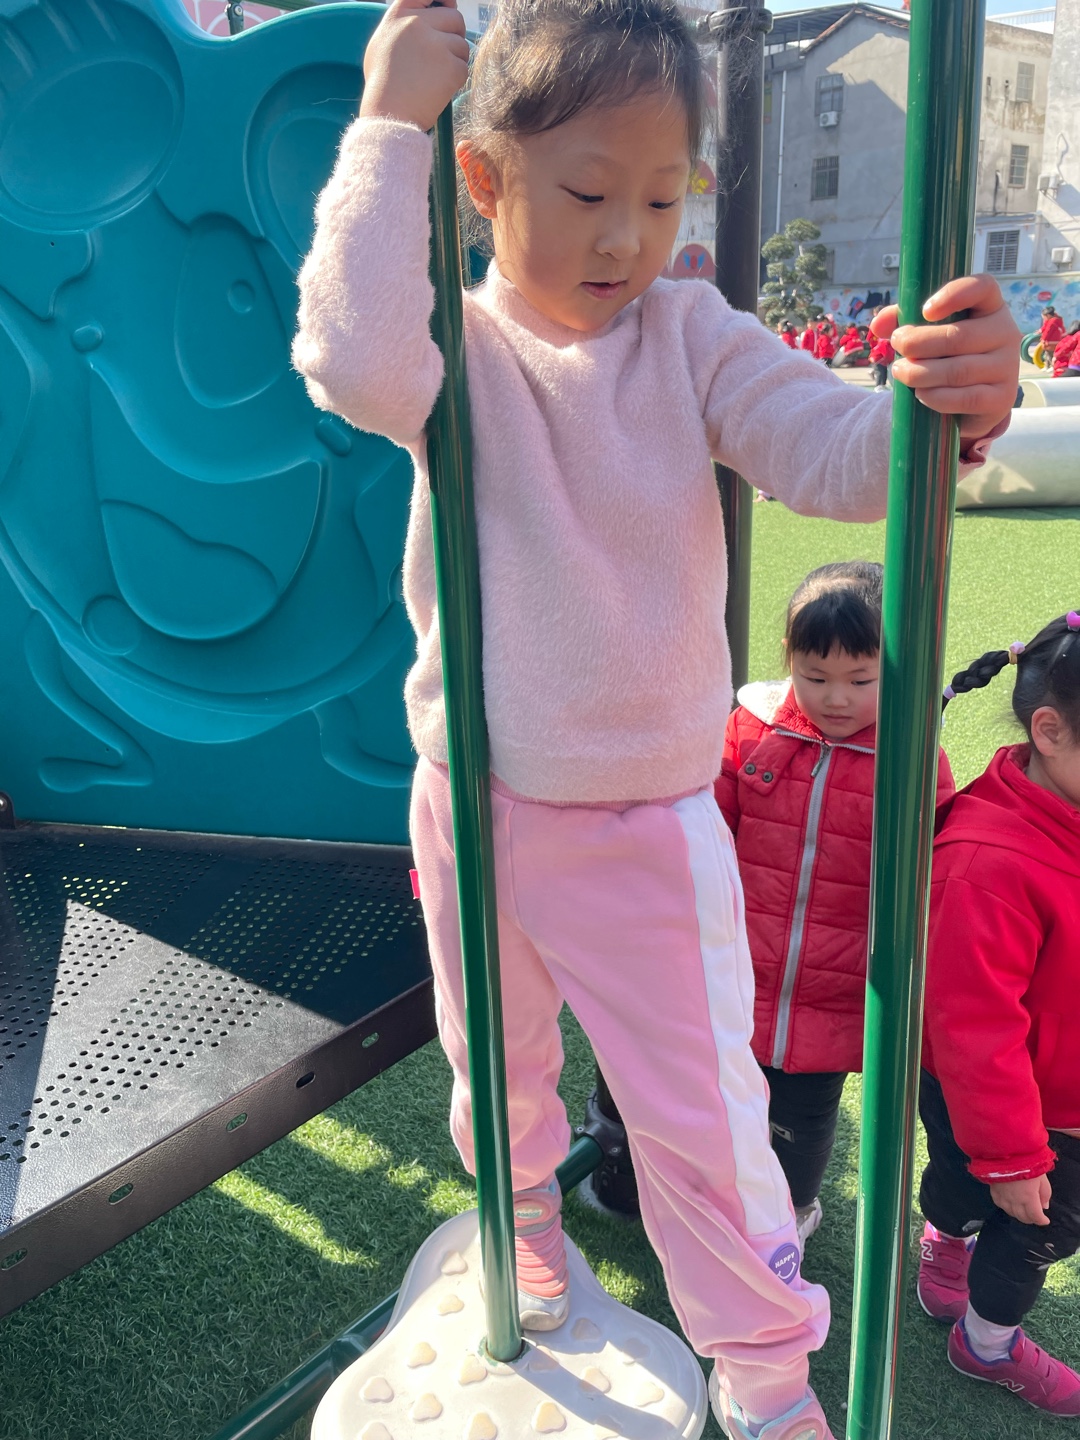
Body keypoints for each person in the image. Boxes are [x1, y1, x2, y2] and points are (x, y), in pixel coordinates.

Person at [292, 0, 1019, 1432]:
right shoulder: (452, 346)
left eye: (664, 197)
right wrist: (386, 123)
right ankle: (527, 1232)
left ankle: (765, 1378)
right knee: (493, 1061)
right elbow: (351, 362)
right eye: (586, 194)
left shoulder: (689, 334)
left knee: (702, 1119)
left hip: (640, 818)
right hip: (470, 793)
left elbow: (828, 447)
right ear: (484, 180)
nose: (628, 238)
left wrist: (938, 408)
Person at [715, 564, 953, 1247]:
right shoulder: (752, 730)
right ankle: (719, 1195)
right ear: (789, 659)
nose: (836, 698)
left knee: (802, 1117)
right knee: (727, 1097)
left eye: (861, 680)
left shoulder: (910, 757)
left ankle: (792, 1210)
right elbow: (713, 827)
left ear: (898, 671)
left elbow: (932, 870)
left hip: (835, 987)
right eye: (815, 677)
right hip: (741, 970)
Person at [916, 612, 1080, 1417]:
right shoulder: (989, 861)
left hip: (1044, 1094)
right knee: (1029, 1227)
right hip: (1020, 1115)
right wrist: (1014, 1159)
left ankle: (950, 1241)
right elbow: (973, 1029)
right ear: (1048, 731)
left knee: (971, 1187)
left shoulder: (1064, 802)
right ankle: (985, 1344)